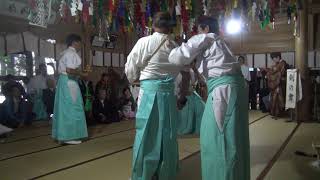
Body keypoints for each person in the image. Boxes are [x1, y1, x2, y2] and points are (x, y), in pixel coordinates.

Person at [169, 16, 250, 180]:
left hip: (223, 91)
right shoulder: (221, 42)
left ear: (204, 28)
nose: (197, 33)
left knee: (218, 139)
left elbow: (176, 57)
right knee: (235, 137)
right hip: (235, 89)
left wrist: (174, 46)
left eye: (198, 29)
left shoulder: (205, 37)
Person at [125, 12, 188, 180]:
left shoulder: (144, 42)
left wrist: (134, 79)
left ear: (153, 25)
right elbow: (183, 74)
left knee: (146, 134)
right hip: (169, 95)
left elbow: (130, 68)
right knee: (167, 134)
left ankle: (143, 174)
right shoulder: (176, 47)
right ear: (170, 27)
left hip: (149, 93)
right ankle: (165, 172)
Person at [52, 34, 88, 145]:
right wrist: (82, 73)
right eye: (80, 43)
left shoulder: (65, 53)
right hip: (69, 82)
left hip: (63, 82)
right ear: (75, 43)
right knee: (73, 108)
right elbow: (69, 70)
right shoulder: (71, 53)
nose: (80, 46)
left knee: (64, 109)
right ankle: (70, 136)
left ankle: (62, 135)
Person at [175, 64, 205, 135]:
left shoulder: (191, 71)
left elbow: (198, 83)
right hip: (180, 95)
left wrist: (196, 71)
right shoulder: (176, 73)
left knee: (201, 106)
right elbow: (176, 88)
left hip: (191, 94)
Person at [266, 52, 288, 118]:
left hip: (280, 83)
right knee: (274, 98)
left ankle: (279, 113)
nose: (274, 60)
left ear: (278, 57)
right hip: (276, 83)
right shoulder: (277, 64)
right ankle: (276, 113)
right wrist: (269, 73)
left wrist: (270, 73)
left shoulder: (283, 63)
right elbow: (274, 73)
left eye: (274, 59)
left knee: (279, 98)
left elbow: (279, 74)